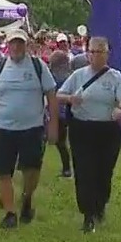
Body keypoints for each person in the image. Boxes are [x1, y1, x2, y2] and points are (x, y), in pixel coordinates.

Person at [0, 29, 58, 229]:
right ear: (7, 46)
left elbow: (52, 96)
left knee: (31, 170)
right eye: (13, 43)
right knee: (3, 172)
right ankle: (10, 212)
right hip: (3, 128)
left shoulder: (38, 67)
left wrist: (54, 125)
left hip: (32, 128)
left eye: (20, 43)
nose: (16, 47)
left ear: (27, 45)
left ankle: (27, 198)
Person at [57, 37, 121, 233]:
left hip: (107, 130)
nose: (95, 55)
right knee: (84, 170)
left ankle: (100, 205)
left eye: (99, 52)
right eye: (92, 51)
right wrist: (70, 99)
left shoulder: (114, 76)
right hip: (83, 129)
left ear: (107, 54)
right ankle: (88, 214)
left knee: (104, 171)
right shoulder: (78, 75)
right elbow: (59, 96)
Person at [47, 49, 73, 177]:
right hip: (69, 113)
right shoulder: (70, 76)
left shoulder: (53, 77)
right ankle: (67, 168)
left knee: (60, 142)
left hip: (57, 113)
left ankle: (67, 168)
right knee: (63, 141)